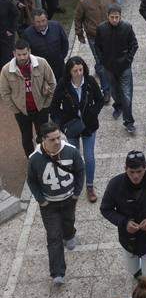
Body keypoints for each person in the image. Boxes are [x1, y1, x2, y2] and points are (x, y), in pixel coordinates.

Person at [100, 150, 146, 284]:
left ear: (145, 168)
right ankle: (137, 274)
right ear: (125, 169)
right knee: (132, 270)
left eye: (139, 171)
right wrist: (124, 222)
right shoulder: (115, 185)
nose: (136, 176)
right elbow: (106, 209)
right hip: (127, 239)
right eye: (132, 172)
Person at [26, 122, 84, 286]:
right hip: (49, 205)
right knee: (53, 237)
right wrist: (41, 200)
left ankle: (70, 234)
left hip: (68, 199)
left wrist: (77, 193)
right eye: (52, 139)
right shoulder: (35, 159)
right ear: (44, 140)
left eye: (58, 137)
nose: (57, 142)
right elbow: (31, 181)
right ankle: (57, 273)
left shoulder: (71, 151)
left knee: (68, 220)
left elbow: (80, 171)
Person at [49, 56, 104, 202]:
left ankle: (90, 186)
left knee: (89, 157)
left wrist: (93, 112)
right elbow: (54, 108)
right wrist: (62, 124)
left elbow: (100, 100)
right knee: (74, 157)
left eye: (80, 69)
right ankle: (76, 183)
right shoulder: (63, 84)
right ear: (70, 72)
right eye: (75, 71)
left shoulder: (90, 82)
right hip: (71, 127)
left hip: (89, 126)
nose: (79, 73)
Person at [0, 39, 56, 157]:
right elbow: (4, 92)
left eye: (25, 54)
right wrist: (15, 109)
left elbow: (52, 83)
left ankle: (45, 157)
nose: (22, 57)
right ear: (14, 53)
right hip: (21, 111)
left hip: (41, 108)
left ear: (29, 51)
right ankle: (32, 159)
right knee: (26, 137)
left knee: (43, 135)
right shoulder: (6, 70)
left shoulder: (42, 63)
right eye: (19, 54)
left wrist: (46, 104)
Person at [95, 5, 139, 133]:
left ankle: (129, 122)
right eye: (112, 17)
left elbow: (134, 45)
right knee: (114, 92)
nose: (115, 20)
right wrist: (102, 60)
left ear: (120, 17)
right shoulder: (101, 28)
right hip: (109, 67)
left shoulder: (127, 27)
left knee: (127, 94)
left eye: (117, 17)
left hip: (124, 67)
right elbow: (97, 46)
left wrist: (128, 59)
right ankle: (118, 105)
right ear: (107, 17)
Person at [74, 0, 116, 102]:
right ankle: (106, 90)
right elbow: (78, 18)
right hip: (94, 37)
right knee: (101, 62)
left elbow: (117, 12)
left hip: (111, 34)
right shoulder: (83, 0)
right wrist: (79, 33)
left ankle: (100, 70)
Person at [23, 8, 69, 82]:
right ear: (33, 22)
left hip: (59, 66)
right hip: (41, 70)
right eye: (38, 22)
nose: (41, 24)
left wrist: (61, 57)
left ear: (47, 19)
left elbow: (64, 42)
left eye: (43, 21)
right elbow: (27, 52)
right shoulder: (27, 34)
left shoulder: (56, 26)